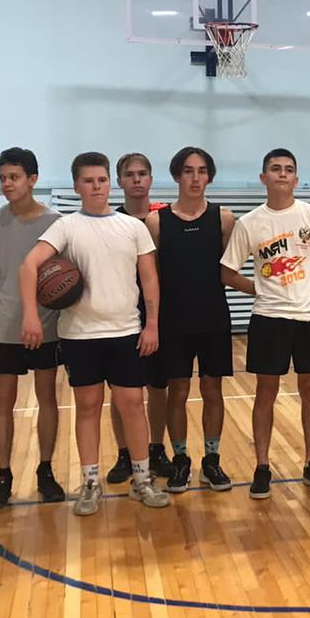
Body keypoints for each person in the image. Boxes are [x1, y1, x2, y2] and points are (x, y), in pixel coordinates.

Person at [19, 152, 170, 516]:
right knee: (87, 407)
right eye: (88, 181)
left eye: (102, 180)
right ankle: (90, 482)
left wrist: (152, 324)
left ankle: (142, 479)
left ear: (110, 183)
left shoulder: (133, 227)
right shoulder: (66, 226)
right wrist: (31, 316)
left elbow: (149, 278)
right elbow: (28, 265)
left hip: (125, 331)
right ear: (77, 186)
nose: (96, 186)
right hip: (79, 334)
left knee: (132, 405)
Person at [219, 149, 310, 499]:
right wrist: (259, 288)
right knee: (266, 392)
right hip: (269, 318)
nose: (282, 174)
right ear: (264, 178)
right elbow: (227, 273)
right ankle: (262, 466)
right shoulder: (250, 223)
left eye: (288, 169)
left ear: (296, 178)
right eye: (275, 169)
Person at [0, 147, 65, 509]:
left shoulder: (57, 222)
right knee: (4, 401)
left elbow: (64, 273)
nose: (6, 184)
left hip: (48, 325)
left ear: (32, 179)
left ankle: (46, 470)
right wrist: (15, 302)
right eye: (2, 178)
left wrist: (40, 307)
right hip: (5, 329)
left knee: (47, 397)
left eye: (14, 177)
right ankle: (4, 475)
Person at [143, 146, 236, 493]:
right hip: (174, 320)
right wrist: (152, 321)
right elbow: (151, 277)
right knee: (178, 391)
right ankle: (181, 459)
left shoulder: (224, 218)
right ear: (176, 175)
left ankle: (212, 460)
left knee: (213, 389)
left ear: (209, 176)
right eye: (188, 171)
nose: (195, 178)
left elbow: (227, 268)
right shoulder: (157, 222)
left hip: (213, 316)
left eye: (202, 171)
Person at [107, 153, 172, 485]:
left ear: (151, 179)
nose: (136, 179)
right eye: (129, 174)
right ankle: (124, 453)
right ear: (119, 181)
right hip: (121, 315)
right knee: (121, 391)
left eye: (142, 173)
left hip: (159, 313)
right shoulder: (110, 221)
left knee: (158, 386)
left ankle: (156, 449)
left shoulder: (166, 219)